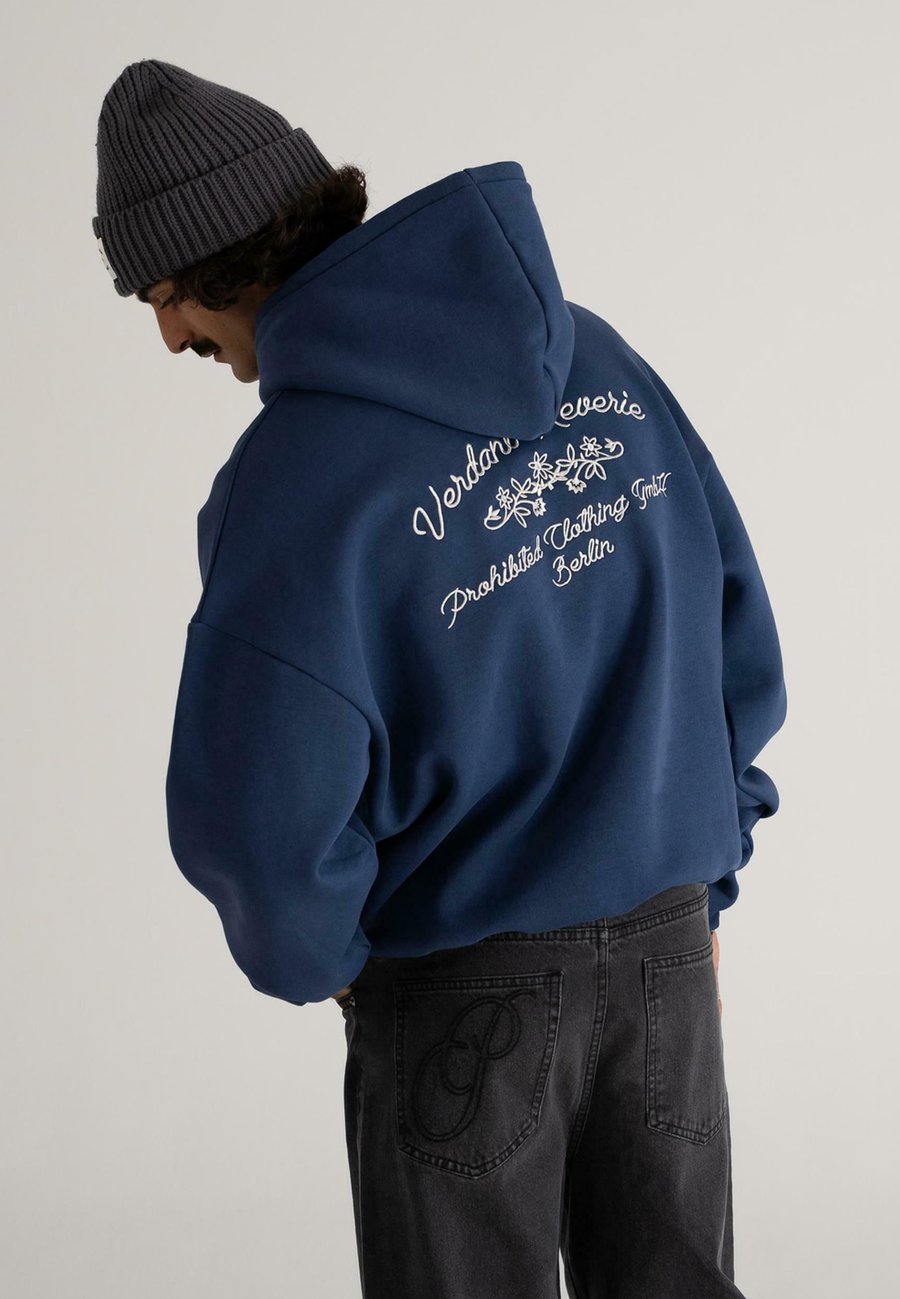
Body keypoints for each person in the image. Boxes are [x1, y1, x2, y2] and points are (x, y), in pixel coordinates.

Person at [93, 58, 787, 1299]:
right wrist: (702, 884)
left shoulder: (291, 480)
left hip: (464, 992)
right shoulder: (602, 363)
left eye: (165, 294)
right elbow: (730, 622)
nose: (169, 336)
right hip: (668, 963)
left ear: (219, 264)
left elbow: (255, 813)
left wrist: (333, 960)